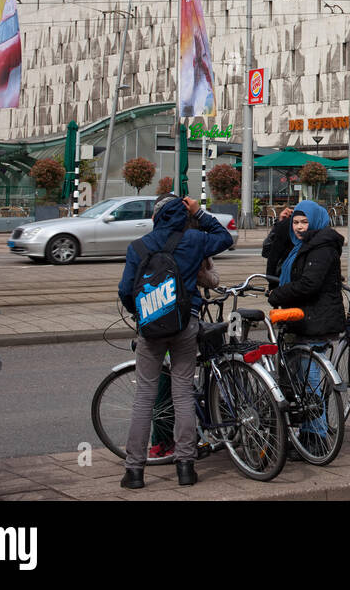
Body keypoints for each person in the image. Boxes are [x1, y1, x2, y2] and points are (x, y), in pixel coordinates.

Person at [117, 193, 233, 490]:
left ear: (155, 218)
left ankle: (134, 472)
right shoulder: (194, 240)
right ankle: (185, 467)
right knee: (182, 393)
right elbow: (224, 237)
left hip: (150, 329)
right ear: (182, 216)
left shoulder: (138, 246)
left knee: (144, 397)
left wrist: (142, 314)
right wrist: (200, 211)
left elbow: (125, 290)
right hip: (185, 324)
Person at [263, 201, 346, 453]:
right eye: (296, 223)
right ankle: (308, 434)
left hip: (315, 319)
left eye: (304, 222)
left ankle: (317, 438)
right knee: (298, 381)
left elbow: (310, 284)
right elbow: (271, 254)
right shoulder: (301, 244)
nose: (299, 227)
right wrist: (281, 225)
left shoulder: (321, 246)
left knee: (309, 382)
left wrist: (278, 295)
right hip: (301, 318)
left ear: (316, 221)